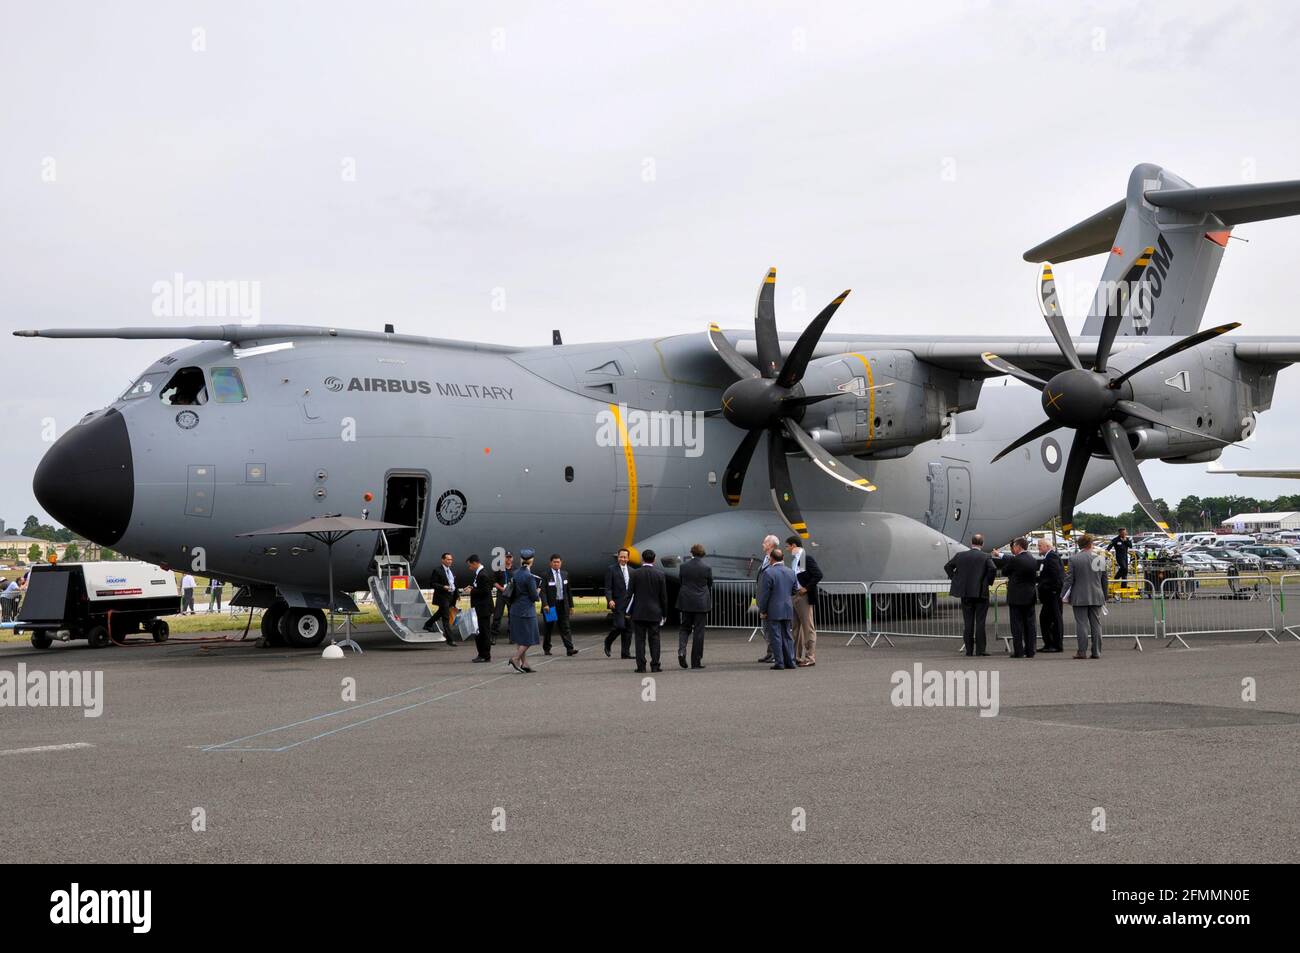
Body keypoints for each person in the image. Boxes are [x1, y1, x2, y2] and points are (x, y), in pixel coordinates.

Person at [944, 534, 996, 657]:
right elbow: (993, 569)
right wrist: (988, 582)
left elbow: (948, 567)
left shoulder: (961, 555)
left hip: (966, 592)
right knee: (980, 622)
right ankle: (980, 649)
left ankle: (969, 650)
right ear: (982, 544)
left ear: (971, 543)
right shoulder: (985, 556)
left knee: (968, 622)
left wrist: (956, 579)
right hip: (980, 593)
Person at [993, 538, 1039, 658]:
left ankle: (1019, 650)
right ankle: (1031, 650)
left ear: (1018, 547)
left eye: (1014, 547)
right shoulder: (1033, 560)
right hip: (1030, 595)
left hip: (1016, 597)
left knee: (1017, 624)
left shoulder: (1015, 560)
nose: (1013, 549)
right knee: (1030, 624)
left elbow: (1004, 571)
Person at [1067, 534, 1108, 659]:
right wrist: (1104, 596)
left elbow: (1069, 580)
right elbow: (1104, 580)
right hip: (1097, 594)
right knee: (1096, 624)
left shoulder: (1074, 559)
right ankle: (1096, 651)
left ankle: (1082, 651)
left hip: (1079, 595)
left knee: (1082, 624)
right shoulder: (1100, 558)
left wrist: (1064, 595)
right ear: (1090, 544)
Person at [758, 548, 799, 670]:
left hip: (774, 608)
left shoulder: (768, 572)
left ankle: (779, 662)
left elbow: (764, 594)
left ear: (771, 559)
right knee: (787, 635)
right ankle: (790, 661)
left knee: (775, 636)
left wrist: (763, 610)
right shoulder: (791, 572)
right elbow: (794, 590)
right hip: (787, 607)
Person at [627, 548, 668, 673]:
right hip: (655, 612)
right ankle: (655, 665)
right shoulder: (660, 574)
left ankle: (641, 666)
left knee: (640, 640)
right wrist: (664, 613)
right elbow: (663, 597)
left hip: (639, 612)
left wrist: (628, 611)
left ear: (642, 559)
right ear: (654, 559)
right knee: (655, 640)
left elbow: (629, 594)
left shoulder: (634, 573)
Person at [786, 535, 823, 667]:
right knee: (795, 628)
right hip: (795, 595)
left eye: (788, 546)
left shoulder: (806, 558)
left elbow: (818, 574)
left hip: (804, 596)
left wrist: (806, 588)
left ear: (794, 545)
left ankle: (810, 657)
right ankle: (795, 656)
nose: (787, 549)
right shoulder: (795, 560)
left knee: (808, 627)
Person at [675, 543, 713, 669]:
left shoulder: (683, 566)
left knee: (684, 628)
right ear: (703, 554)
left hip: (686, 601)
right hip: (701, 602)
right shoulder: (707, 567)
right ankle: (696, 661)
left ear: (691, 553)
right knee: (699, 632)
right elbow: (710, 583)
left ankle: (681, 651)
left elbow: (681, 581)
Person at [507, 549, 541, 673]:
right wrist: (538, 592)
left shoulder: (515, 573)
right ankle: (515, 658)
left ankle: (524, 663)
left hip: (515, 608)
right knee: (530, 637)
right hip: (526, 610)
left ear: (521, 560)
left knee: (520, 638)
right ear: (532, 561)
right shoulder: (529, 577)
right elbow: (534, 597)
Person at [540, 554, 577, 656]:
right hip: (551, 606)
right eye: (554, 562)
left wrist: (571, 605)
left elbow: (568, 591)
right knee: (549, 627)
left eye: (558, 562)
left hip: (563, 604)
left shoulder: (565, 574)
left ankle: (570, 649)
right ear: (550, 563)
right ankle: (547, 648)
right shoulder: (545, 575)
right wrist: (545, 604)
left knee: (565, 627)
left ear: (561, 563)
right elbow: (542, 591)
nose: (556, 564)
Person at [464, 554, 496, 663]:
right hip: (481, 608)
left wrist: (471, 591)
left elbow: (485, 591)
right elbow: (482, 588)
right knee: (480, 632)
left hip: (483, 609)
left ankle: (485, 655)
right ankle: (482, 654)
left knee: (483, 632)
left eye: (470, 566)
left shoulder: (482, 575)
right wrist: (473, 588)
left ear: (475, 563)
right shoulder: (481, 574)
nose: (470, 568)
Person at [603, 548, 633, 659]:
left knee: (628, 629)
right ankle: (608, 641)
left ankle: (625, 653)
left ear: (628, 558)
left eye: (625, 557)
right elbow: (608, 588)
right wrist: (610, 600)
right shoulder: (611, 569)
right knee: (620, 626)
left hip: (629, 605)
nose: (623, 559)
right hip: (617, 603)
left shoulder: (632, 571)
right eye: (621, 557)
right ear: (618, 557)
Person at [424, 552, 460, 643]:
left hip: (450, 597)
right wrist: (443, 587)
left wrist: (457, 595)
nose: (450, 561)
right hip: (442, 596)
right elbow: (432, 583)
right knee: (446, 617)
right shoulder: (437, 570)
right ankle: (450, 639)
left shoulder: (451, 571)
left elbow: (454, 584)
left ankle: (428, 624)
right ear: (443, 560)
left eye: (451, 559)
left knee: (440, 613)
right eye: (448, 559)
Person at [1036, 539, 1065, 653]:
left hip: (1052, 594)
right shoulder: (1049, 557)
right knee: (1047, 618)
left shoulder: (1051, 557)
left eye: (1040, 546)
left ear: (1047, 546)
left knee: (1052, 619)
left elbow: (1056, 576)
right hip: (1051, 594)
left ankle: (1055, 644)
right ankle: (1050, 643)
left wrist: (1051, 589)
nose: (1038, 548)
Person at [756, 533, 781, 663]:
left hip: (771, 601)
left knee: (771, 629)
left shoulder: (774, 560)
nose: (763, 544)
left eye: (765, 542)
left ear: (771, 545)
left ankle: (775, 654)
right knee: (766, 629)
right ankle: (770, 652)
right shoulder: (766, 558)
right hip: (764, 599)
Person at [491, 551, 514, 643]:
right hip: (502, 594)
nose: (508, 559)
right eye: (507, 557)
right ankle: (493, 636)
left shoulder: (515, 569)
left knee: (512, 616)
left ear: (512, 558)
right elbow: (493, 581)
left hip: (511, 594)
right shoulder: (499, 569)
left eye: (510, 557)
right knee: (497, 615)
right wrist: (501, 588)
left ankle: (512, 636)